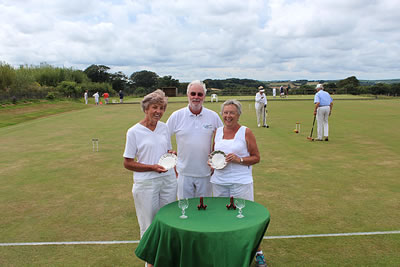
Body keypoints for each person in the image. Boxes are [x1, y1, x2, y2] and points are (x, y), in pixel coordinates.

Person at [209, 99, 267, 267]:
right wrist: (211, 162)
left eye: (232, 112)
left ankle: (258, 254)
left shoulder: (245, 132)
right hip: (219, 182)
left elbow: (256, 157)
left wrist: (239, 159)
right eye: (226, 112)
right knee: (222, 218)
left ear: (238, 114)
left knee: (246, 219)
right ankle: (226, 251)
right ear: (222, 114)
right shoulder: (217, 131)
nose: (228, 116)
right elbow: (213, 154)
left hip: (241, 182)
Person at [123, 89, 177, 267]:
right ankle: (150, 263)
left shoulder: (164, 127)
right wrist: (152, 167)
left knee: (168, 221)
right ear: (146, 108)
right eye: (155, 107)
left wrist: (171, 155)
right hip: (146, 183)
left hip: (168, 180)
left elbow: (166, 151)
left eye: (161, 108)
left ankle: (166, 259)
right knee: (148, 224)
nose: (159, 111)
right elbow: (128, 163)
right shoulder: (134, 132)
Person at [167, 80, 223, 199]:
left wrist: (216, 160)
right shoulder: (176, 116)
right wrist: (170, 155)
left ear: (204, 96)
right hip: (183, 173)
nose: (196, 97)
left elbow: (222, 138)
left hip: (206, 173)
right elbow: (163, 137)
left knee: (204, 210)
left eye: (199, 94)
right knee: (185, 210)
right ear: (188, 95)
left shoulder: (213, 116)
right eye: (193, 94)